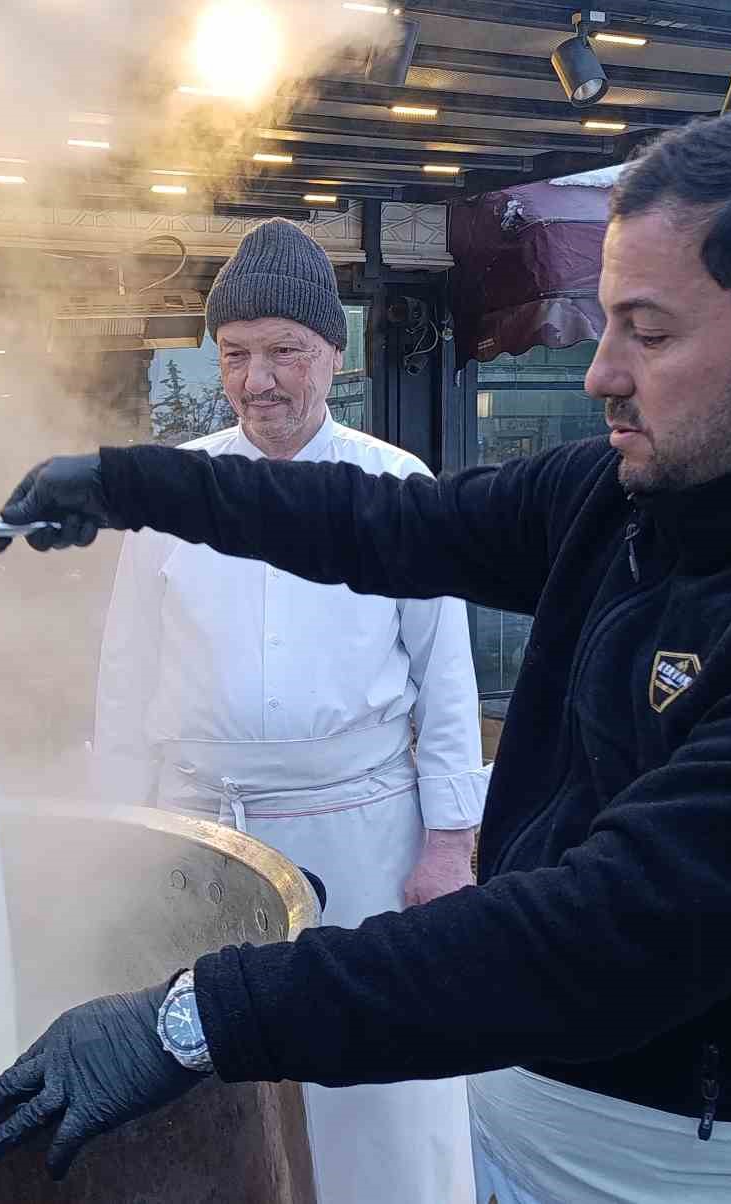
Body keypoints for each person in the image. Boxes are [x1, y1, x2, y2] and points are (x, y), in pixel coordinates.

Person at [0, 94, 731, 1202]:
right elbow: (396, 526)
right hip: (522, 1131)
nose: (598, 373)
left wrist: (198, 1017)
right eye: (603, 324)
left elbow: (604, 934)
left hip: (713, 1175)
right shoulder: (634, 491)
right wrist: (130, 484)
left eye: (650, 330)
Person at [93, 218, 485, 1202]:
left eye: (284, 353)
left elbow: (445, 677)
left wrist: (449, 840)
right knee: (203, 1070)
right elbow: (123, 677)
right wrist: (111, 832)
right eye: (235, 355)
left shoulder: (397, 485)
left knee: (375, 1067)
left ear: (334, 356)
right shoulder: (173, 493)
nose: (258, 378)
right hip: (196, 830)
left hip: (359, 827)